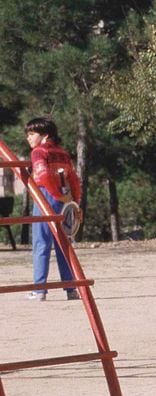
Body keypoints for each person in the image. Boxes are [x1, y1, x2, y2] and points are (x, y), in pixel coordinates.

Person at [24, 117, 82, 301]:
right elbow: (73, 178)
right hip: (65, 198)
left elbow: (43, 175)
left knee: (41, 243)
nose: (28, 138)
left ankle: (40, 289)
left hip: (45, 196)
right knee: (63, 244)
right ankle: (70, 288)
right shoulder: (63, 153)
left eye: (32, 134)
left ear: (45, 135)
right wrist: (74, 200)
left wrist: (55, 194)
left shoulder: (38, 152)